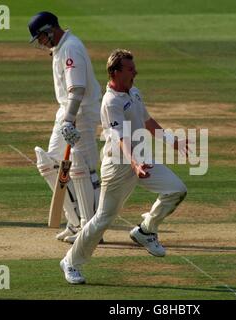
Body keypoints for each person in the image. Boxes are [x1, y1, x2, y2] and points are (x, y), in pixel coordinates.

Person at [60, 49, 188, 284]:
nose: (135, 71)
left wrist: (172, 140)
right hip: (119, 166)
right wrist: (134, 162)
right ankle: (71, 261)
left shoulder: (134, 92)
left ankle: (146, 231)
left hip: (140, 160)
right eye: (130, 69)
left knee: (176, 189)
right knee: (103, 219)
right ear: (115, 72)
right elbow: (122, 138)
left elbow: (147, 121)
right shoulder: (111, 102)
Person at [28, 12, 102, 243]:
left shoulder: (71, 48)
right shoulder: (61, 48)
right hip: (67, 113)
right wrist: (66, 118)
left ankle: (92, 229)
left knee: (85, 172)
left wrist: (70, 120)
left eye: (41, 37)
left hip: (80, 115)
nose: (40, 43)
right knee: (49, 163)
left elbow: (77, 89)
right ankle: (75, 221)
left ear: (50, 30)